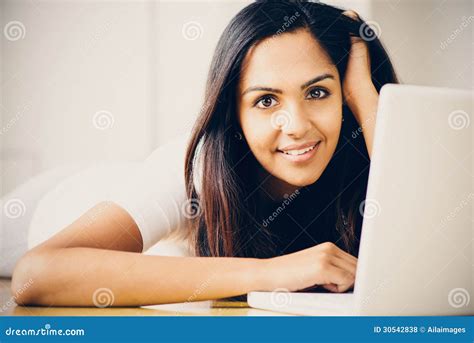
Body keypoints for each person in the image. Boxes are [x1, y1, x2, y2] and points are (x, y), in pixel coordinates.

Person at [12, 0, 398, 306]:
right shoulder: (192, 168)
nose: (296, 124)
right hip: (55, 202)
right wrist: (273, 273)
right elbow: (36, 274)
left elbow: (431, 245)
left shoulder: (362, 151)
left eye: (317, 92)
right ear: (234, 114)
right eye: (265, 100)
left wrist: (368, 100)